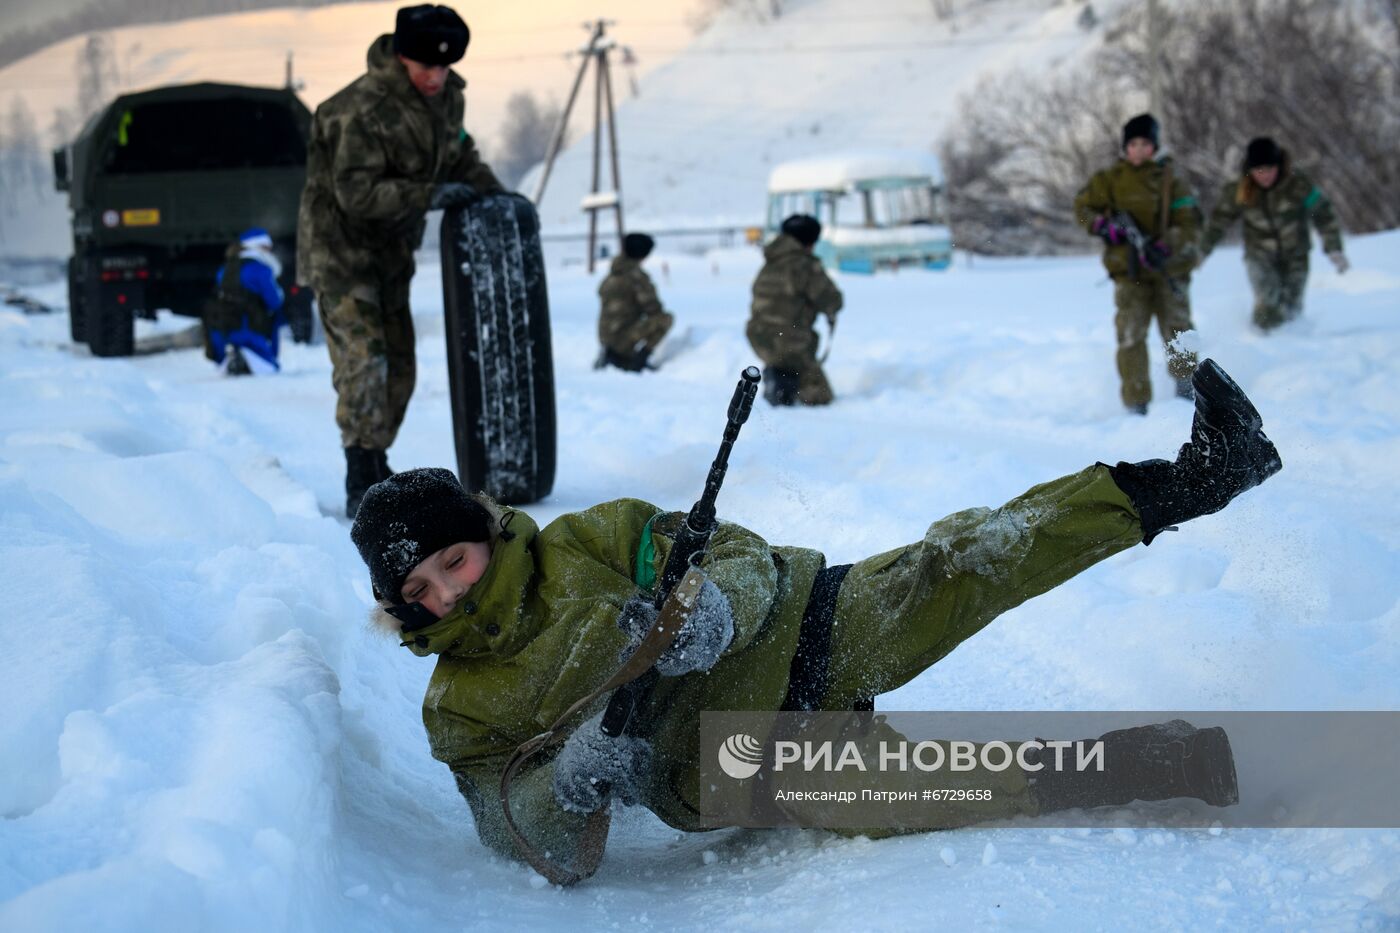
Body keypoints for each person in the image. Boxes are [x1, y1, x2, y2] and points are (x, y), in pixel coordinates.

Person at [349, 358, 1281, 881]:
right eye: (422, 590)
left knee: (963, 561)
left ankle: (1195, 477)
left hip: (801, 625)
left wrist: (718, 605)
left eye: (453, 560)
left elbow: (737, 553)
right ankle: (1162, 762)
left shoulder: (591, 538)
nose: (449, 593)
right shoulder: (460, 708)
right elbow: (508, 822)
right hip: (724, 761)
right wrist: (574, 782)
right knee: (934, 788)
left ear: (484, 533)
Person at [297, 3, 506, 518]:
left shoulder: (445, 99)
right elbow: (355, 194)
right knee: (364, 362)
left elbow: (460, 154)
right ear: (402, 56)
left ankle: (375, 458)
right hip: (341, 254)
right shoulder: (357, 109)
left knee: (401, 369)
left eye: (443, 66)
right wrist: (429, 195)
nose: (435, 76)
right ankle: (360, 474)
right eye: (425, 66)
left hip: (392, 254)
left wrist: (500, 199)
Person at [1074, 114, 1202, 415]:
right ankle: (1136, 404)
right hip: (1129, 275)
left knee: (1179, 331)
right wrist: (1104, 227)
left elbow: (1190, 223)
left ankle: (1188, 395)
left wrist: (1165, 244)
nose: (1139, 149)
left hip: (1169, 269)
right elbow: (1081, 209)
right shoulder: (1110, 180)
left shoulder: (1171, 180)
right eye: (1133, 144)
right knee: (1131, 336)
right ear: (1125, 147)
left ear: (1154, 146)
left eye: (1145, 143)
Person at [1197, 137, 1348, 331]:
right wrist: (1201, 251)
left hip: (1296, 255)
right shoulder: (1240, 189)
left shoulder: (1297, 184)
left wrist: (1334, 248)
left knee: (1292, 309)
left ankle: (1295, 346)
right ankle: (1263, 342)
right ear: (1250, 171)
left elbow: (1323, 213)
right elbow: (1218, 223)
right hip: (1259, 256)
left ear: (1279, 166)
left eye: (1269, 169)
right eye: (1258, 171)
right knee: (1268, 306)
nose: (1264, 175)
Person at [746, 214, 844, 406]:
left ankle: (781, 376)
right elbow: (831, 300)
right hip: (790, 342)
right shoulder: (803, 265)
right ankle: (782, 387)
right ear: (809, 241)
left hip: (758, 336)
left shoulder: (771, 262)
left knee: (787, 361)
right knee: (820, 397)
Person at [202, 228, 286, 376]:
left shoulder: (225, 268)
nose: (269, 251)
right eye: (266, 247)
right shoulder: (261, 269)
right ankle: (248, 359)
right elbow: (274, 301)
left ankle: (232, 359)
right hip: (251, 327)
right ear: (257, 246)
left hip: (224, 327)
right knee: (270, 366)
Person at [596, 233, 674, 372]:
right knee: (665, 319)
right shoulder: (637, 277)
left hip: (605, 339)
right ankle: (638, 361)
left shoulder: (612, 275)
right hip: (622, 338)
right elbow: (654, 309)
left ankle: (617, 356)